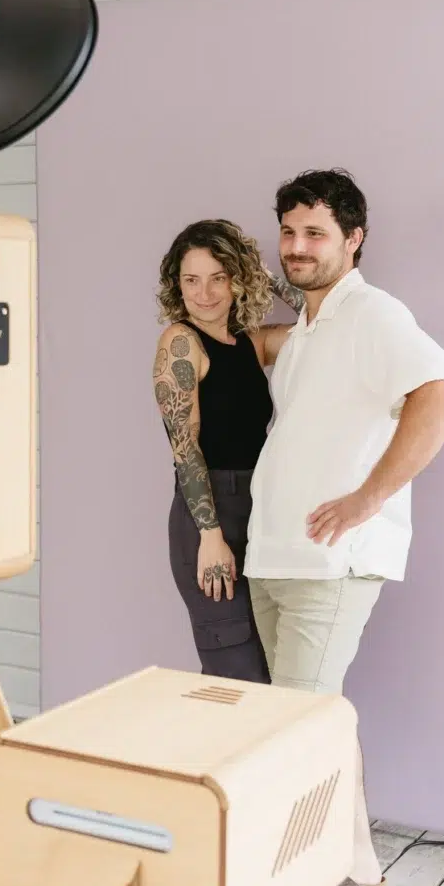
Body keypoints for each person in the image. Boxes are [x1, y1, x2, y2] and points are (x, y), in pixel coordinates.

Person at [244, 169, 444, 886]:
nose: (296, 248)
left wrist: (369, 497)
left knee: (291, 737)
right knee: (317, 721)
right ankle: (359, 865)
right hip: (275, 556)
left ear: (352, 240)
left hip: (326, 565)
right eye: (288, 232)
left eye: (314, 234)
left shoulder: (373, 314)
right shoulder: (303, 328)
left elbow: (440, 390)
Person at [152, 219, 303, 684]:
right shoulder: (181, 342)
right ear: (177, 286)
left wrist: (262, 272)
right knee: (237, 674)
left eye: (219, 277)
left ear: (237, 279)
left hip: (262, 511)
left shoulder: (251, 341)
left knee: (276, 670)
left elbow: (318, 324)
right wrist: (211, 537)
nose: (204, 293)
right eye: (191, 280)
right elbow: (185, 448)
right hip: (210, 513)